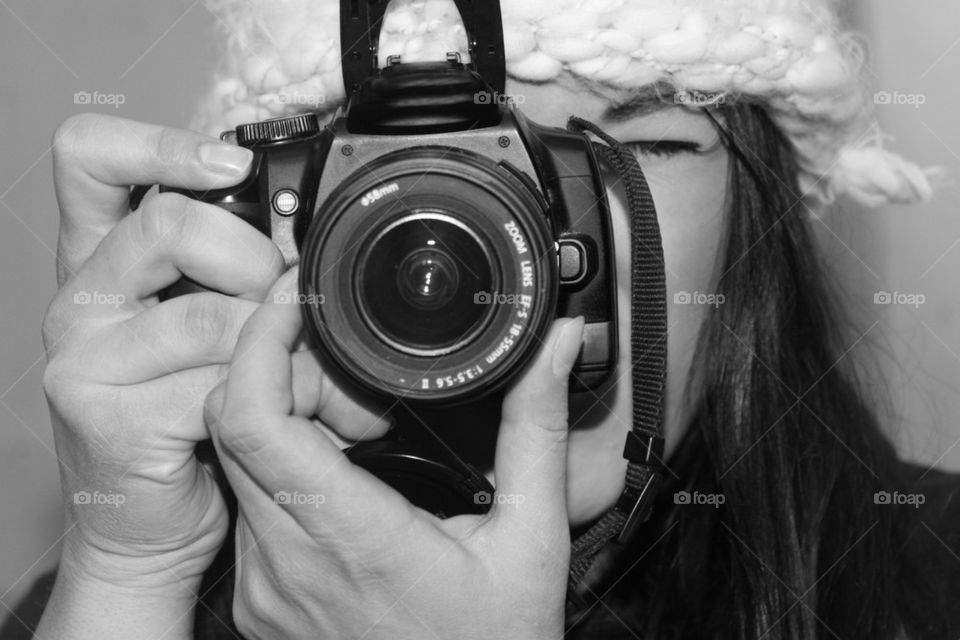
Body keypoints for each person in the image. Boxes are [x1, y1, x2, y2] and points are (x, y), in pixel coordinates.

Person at [6, 0, 958, 638]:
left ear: (763, 211)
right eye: (440, 165)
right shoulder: (124, 600)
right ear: (285, 211)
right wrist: (130, 576)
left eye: (648, 145)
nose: (537, 244)